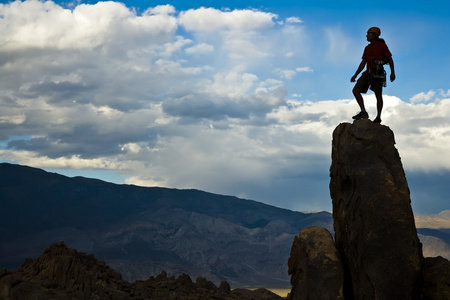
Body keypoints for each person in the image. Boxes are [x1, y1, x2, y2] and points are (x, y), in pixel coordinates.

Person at [350, 27, 395, 123]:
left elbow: (390, 59)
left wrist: (392, 73)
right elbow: (363, 62)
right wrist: (355, 75)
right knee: (355, 90)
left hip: (378, 73)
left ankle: (378, 117)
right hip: (368, 73)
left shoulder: (382, 46)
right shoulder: (367, 48)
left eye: (369, 34)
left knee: (378, 95)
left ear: (374, 35)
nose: (366, 35)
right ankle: (363, 111)